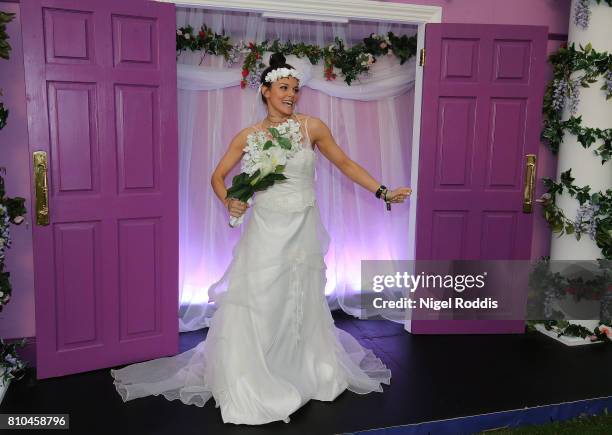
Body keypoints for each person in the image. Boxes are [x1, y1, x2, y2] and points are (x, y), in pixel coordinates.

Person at [111, 52, 412, 426]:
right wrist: (231, 203)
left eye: (296, 90)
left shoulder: (312, 127)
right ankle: (254, 371)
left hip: (302, 228)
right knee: (261, 297)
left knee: (300, 295)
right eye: (284, 88)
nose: (291, 95)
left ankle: (303, 366)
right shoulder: (249, 136)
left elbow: (346, 164)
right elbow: (217, 176)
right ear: (266, 91)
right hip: (266, 231)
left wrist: (383, 191)